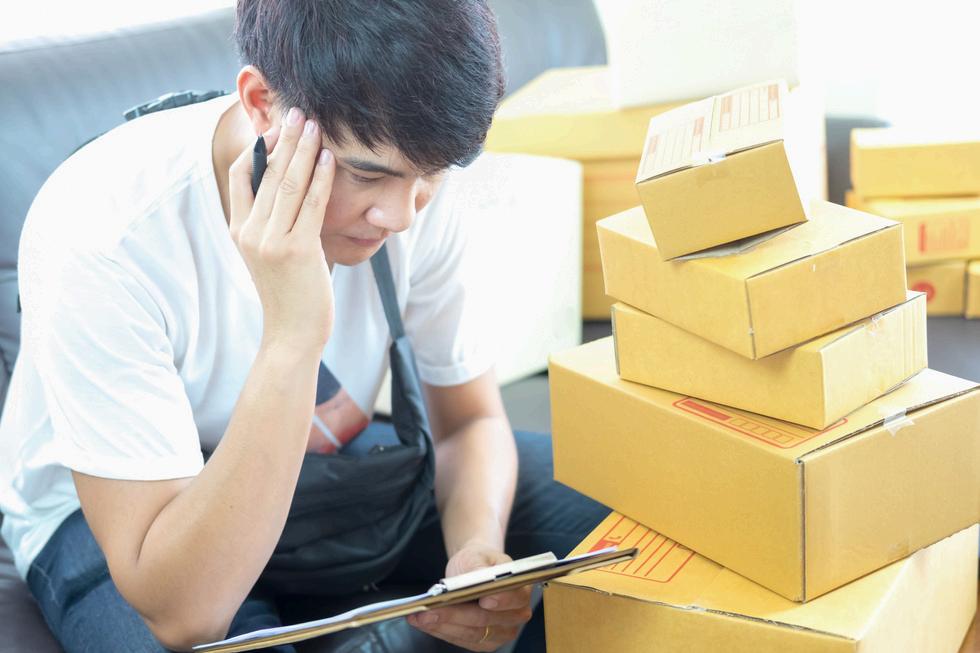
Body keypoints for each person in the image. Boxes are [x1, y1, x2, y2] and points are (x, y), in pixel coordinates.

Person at [0, 1, 608, 651]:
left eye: (429, 175)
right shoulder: (105, 234)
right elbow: (185, 614)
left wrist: (477, 549)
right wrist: (292, 337)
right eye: (366, 173)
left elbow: (469, 423)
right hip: (123, 511)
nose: (402, 215)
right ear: (262, 104)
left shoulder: (411, 175)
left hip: (318, 465)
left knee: (639, 518)